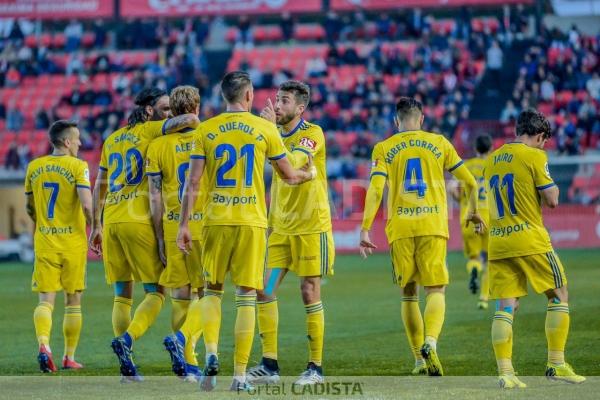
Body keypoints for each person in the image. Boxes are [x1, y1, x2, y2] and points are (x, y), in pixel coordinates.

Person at [175, 71, 316, 391]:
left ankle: (209, 353)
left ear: (223, 95)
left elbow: (193, 183)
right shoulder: (265, 128)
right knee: (246, 296)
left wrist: (184, 224)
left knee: (211, 291)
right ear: (249, 96)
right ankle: (239, 376)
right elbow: (290, 176)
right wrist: (309, 176)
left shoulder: (206, 130)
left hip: (215, 221)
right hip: (251, 222)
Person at [359, 97, 484, 376]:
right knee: (436, 289)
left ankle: (418, 359)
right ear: (422, 119)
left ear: (396, 121)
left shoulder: (384, 148)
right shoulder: (439, 142)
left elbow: (376, 189)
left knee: (408, 294)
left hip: (401, 228)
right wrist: (473, 212)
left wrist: (365, 227)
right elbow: (470, 181)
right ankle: (431, 342)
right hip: (433, 224)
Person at [88, 88, 199, 380]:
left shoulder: (112, 139)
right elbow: (188, 118)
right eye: (163, 109)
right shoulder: (152, 130)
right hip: (138, 220)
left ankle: (127, 367)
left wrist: (96, 225)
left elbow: (99, 182)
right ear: (149, 111)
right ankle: (128, 340)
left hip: (111, 219)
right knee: (157, 292)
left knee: (122, 294)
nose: (168, 114)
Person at [483, 109, 585, 388]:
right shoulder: (535, 156)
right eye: (544, 141)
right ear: (539, 136)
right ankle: (556, 363)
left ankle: (506, 372)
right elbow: (552, 199)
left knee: (506, 305)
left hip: (499, 241)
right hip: (530, 238)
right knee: (559, 294)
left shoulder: (491, 160)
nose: (544, 146)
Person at [246, 81, 334, 385]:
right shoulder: (271, 134)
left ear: (300, 108)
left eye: (284, 101)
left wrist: (269, 134)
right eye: (277, 99)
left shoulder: (312, 133)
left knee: (309, 290)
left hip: (311, 228)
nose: (277, 105)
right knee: (265, 289)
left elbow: (294, 162)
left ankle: (315, 368)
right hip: (281, 231)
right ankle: (269, 364)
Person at [145, 86, 206, 381]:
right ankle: (185, 340)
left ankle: (188, 365)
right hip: (204, 223)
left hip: (172, 225)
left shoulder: (157, 146)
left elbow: (154, 196)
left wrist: (158, 235)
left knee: (180, 293)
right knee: (208, 294)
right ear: (196, 106)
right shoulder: (207, 135)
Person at [24, 120, 93, 372]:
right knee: (73, 301)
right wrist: (95, 227)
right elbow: (86, 205)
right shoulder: (78, 166)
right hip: (72, 243)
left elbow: (30, 208)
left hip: (45, 242)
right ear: (66, 141)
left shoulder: (34, 167)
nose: (80, 143)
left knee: (45, 301)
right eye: (77, 139)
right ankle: (69, 357)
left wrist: (42, 224)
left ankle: (44, 344)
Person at [451, 134, 492, 309]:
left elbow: (452, 188)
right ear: (490, 149)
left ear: (475, 148)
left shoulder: (465, 166)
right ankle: (483, 299)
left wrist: (460, 198)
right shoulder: (494, 166)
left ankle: (475, 268)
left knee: (474, 257)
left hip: (468, 217)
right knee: (491, 260)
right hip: (490, 218)